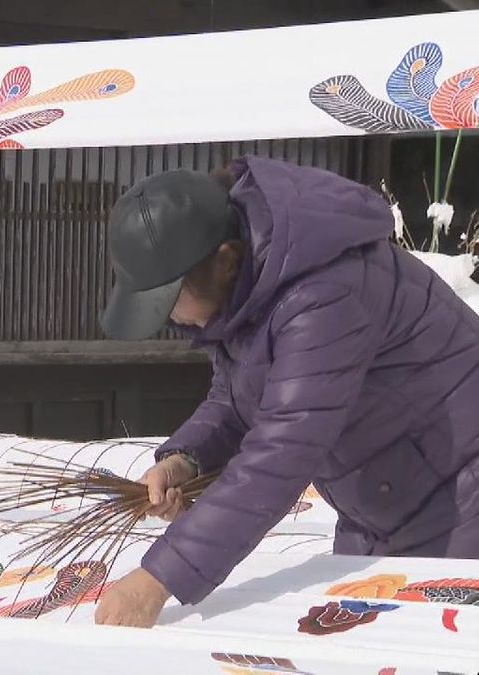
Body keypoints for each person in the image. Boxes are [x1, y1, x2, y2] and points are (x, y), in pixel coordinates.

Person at [93, 156, 479, 628]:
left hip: (459, 496)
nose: (168, 318)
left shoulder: (323, 293)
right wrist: (187, 458)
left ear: (225, 260)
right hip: (381, 501)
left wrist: (157, 579)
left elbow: (282, 451)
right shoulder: (253, 284)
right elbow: (241, 396)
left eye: (169, 301)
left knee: (428, 650)